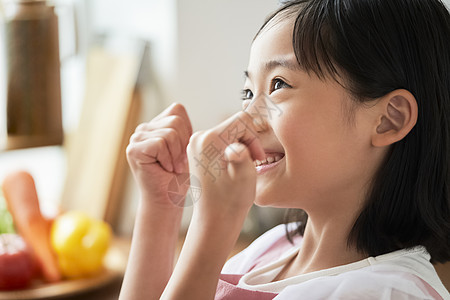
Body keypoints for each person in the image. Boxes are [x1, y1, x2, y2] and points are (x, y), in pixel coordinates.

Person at [119, 0, 450, 299]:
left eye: (279, 85)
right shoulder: (271, 250)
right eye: (248, 92)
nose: (245, 120)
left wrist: (211, 229)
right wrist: (161, 208)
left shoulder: (386, 293)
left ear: (388, 120)